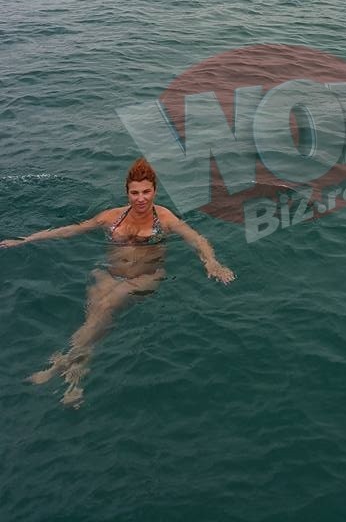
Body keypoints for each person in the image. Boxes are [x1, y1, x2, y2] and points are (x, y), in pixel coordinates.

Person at [0, 158, 235, 406]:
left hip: (146, 277)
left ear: (155, 191)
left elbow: (197, 239)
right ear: (127, 193)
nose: (141, 198)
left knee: (103, 308)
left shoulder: (165, 218)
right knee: (95, 318)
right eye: (135, 193)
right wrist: (25, 240)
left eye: (146, 192)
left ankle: (60, 364)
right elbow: (70, 229)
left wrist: (211, 262)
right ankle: (76, 374)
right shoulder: (111, 217)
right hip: (110, 274)